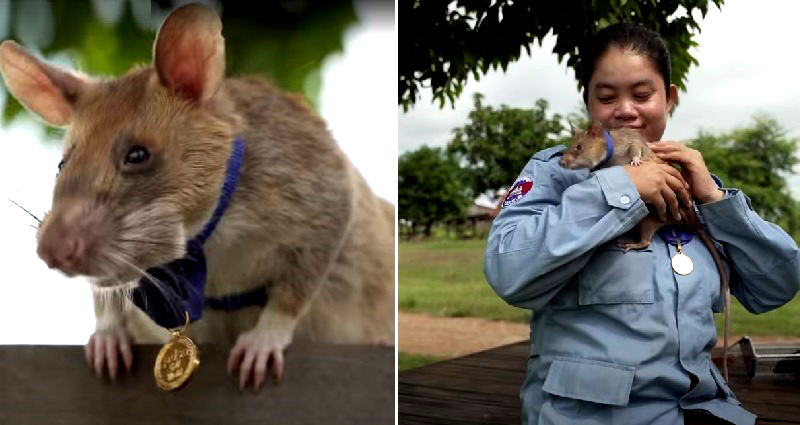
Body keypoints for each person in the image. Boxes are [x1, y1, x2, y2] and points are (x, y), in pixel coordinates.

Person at [483, 22, 800, 425]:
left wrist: (716, 202)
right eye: (606, 96)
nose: (626, 109)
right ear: (589, 104)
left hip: (701, 409)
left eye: (642, 94)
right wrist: (621, 187)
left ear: (668, 99)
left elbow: (776, 287)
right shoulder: (557, 172)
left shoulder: (690, 179)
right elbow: (508, 272)